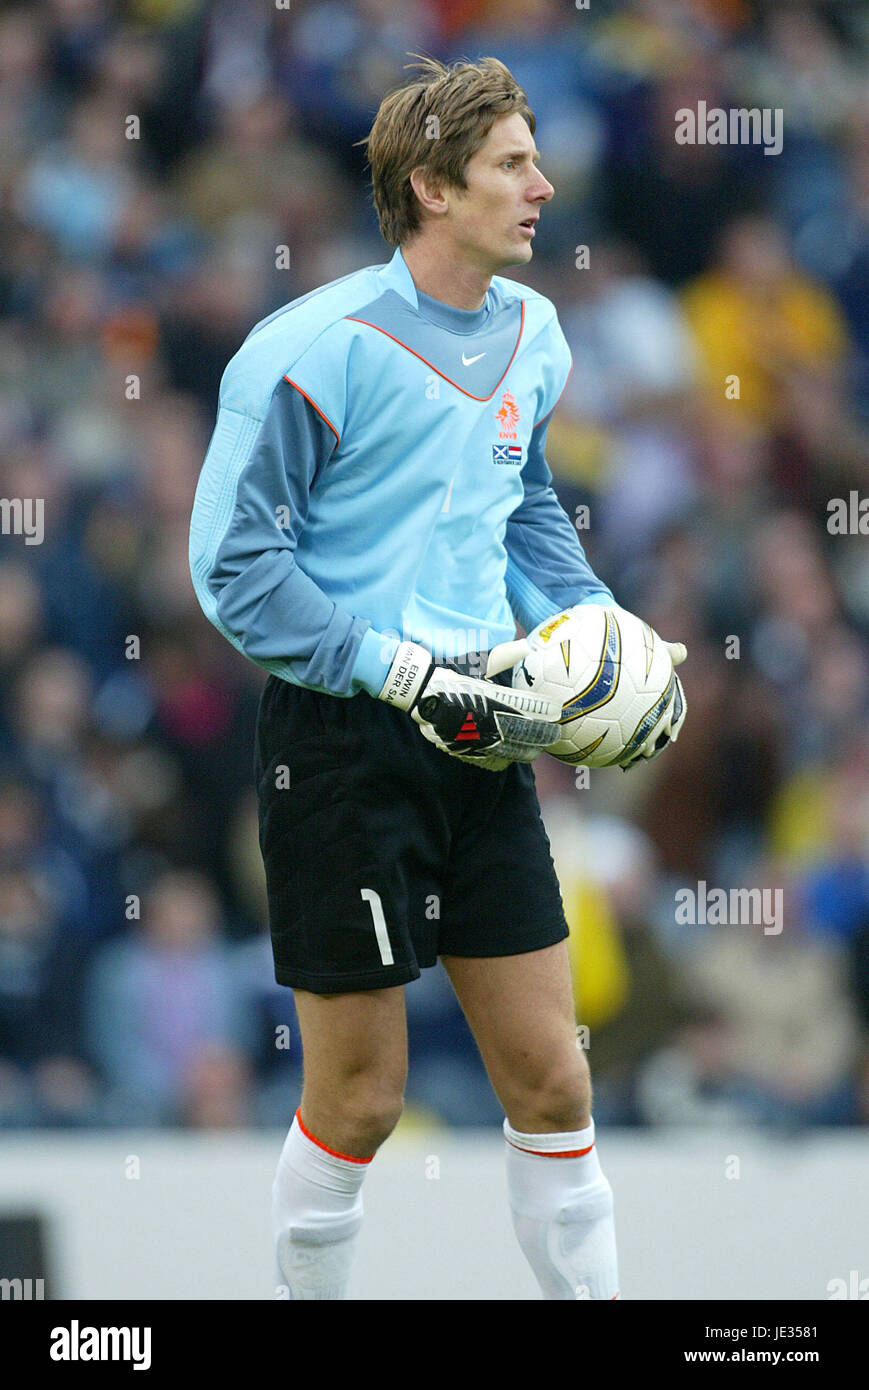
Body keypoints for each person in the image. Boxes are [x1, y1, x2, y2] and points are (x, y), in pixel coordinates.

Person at [188, 54, 686, 1300]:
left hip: (490, 727)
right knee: (359, 1100)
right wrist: (400, 670)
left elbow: (520, 513)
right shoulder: (313, 347)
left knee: (553, 1077)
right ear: (430, 185)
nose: (542, 185)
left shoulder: (535, 333)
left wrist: (597, 631)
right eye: (513, 163)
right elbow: (235, 571)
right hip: (345, 740)